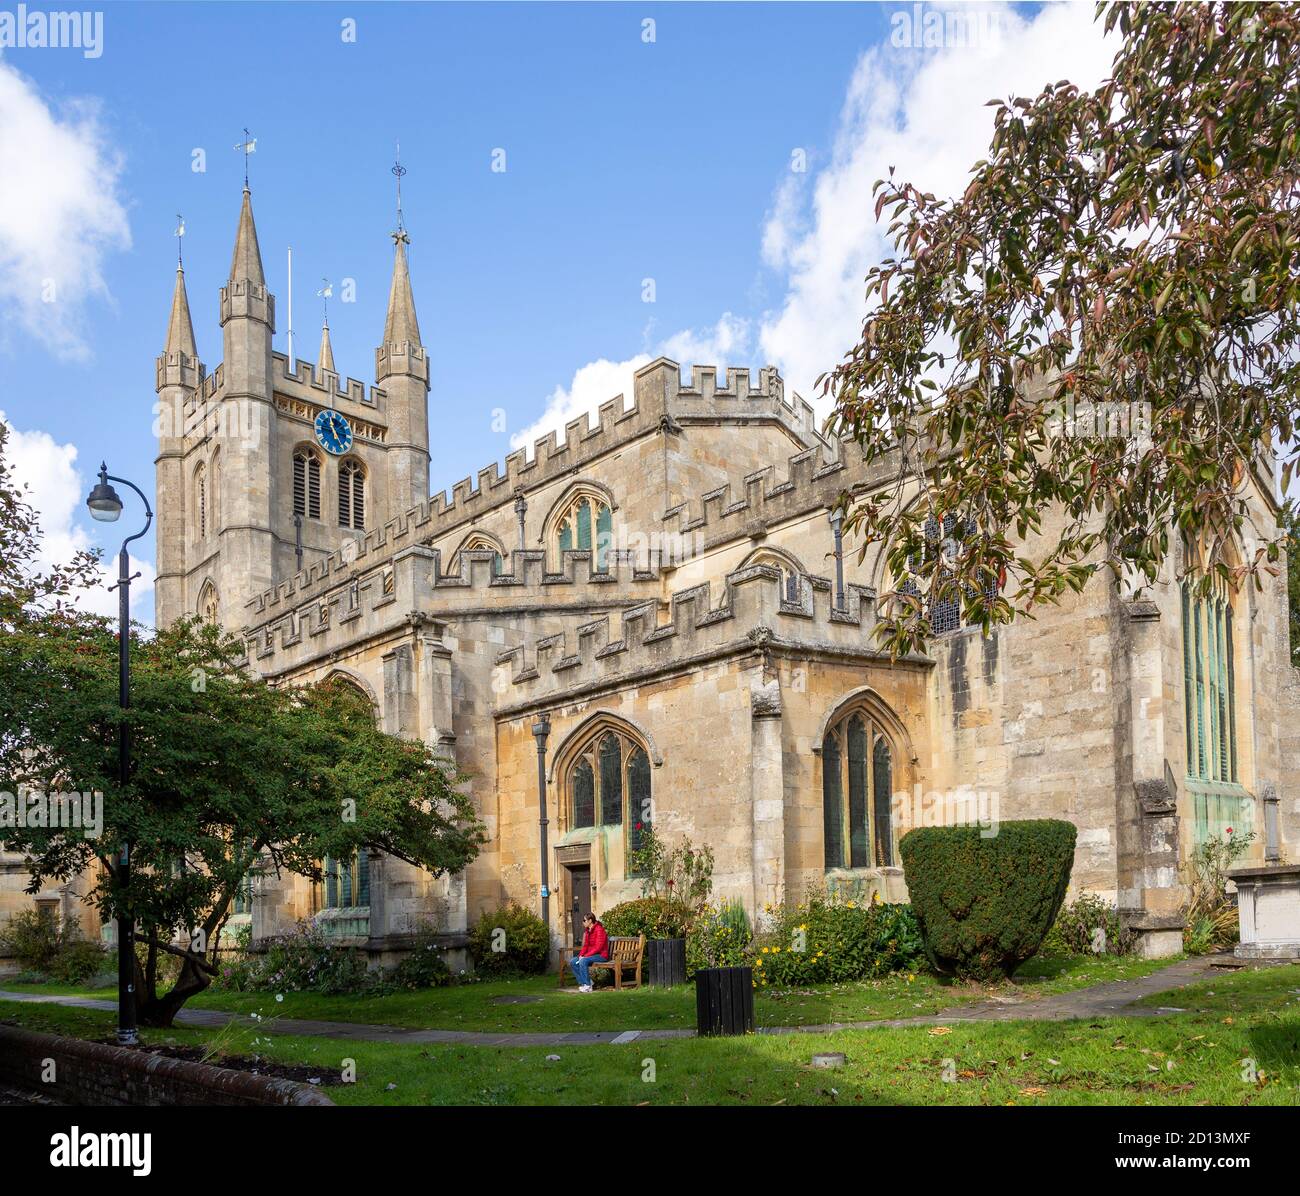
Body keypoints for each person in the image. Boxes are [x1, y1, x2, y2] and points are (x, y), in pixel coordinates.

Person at [569, 912, 608, 992]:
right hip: (591, 955)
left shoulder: (599, 930)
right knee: (573, 961)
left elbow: (598, 947)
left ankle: (588, 986)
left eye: (584, 920)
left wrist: (585, 956)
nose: (583, 922)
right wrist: (580, 955)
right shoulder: (587, 931)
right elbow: (585, 946)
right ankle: (586, 982)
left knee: (583, 960)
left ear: (590, 921)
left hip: (601, 955)